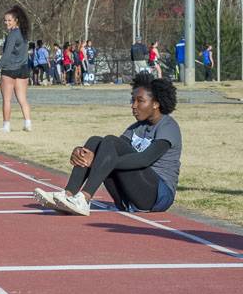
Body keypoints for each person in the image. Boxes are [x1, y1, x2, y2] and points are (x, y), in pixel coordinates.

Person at [35, 72, 180, 216]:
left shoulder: (168, 126)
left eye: (140, 101)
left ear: (155, 104)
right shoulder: (137, 127)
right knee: (96, 141)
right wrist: (82, 152)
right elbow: (109, 152)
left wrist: (97, 161)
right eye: (132, 100)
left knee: (110, 141)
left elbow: (144, 159)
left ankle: (84, 198)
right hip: (129, 195)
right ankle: (68, 194)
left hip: (157, 196)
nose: (133, 106)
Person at [0, 5, 33, 132]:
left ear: (16, 20)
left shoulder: (12, 34)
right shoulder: (24, 33)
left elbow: (6, 55)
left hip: (10, 69)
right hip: (23, 69)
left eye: (9, 20)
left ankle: (6, 125)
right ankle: (28, 123)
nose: (6, 23)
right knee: (22, 98)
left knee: (6, 99)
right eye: (5, 20)